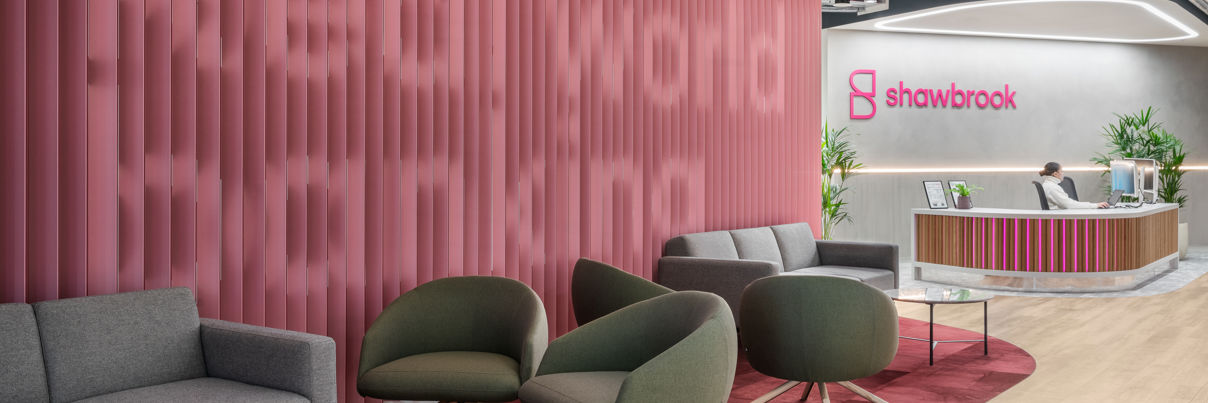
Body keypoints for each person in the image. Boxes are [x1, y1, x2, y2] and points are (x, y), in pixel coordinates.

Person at [1039, 162, 1108, 209]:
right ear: (1055, 174)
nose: (1063, 173)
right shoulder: (1052, 187)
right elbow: (1069, 205)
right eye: (1061, 171)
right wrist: (1095, 205)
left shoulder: (1048, 184)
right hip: (1059, 220)